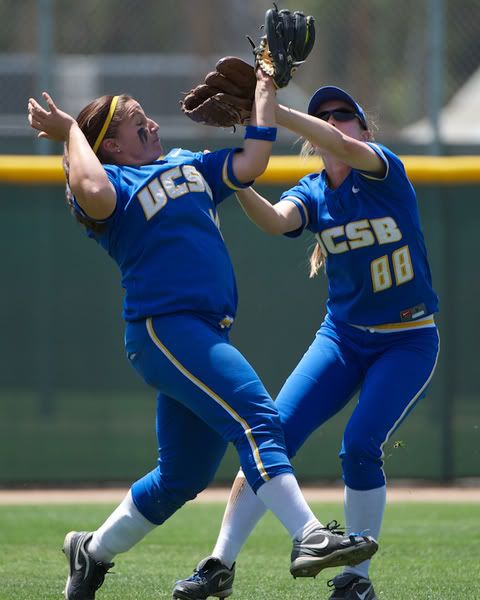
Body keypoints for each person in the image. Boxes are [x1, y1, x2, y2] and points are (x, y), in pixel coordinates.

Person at [27, 71, 378, 600]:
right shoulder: (115, 187)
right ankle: (309, 536)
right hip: (164, 327)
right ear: (109, 147)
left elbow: (253, 161)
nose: (148, 121)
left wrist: (265, 84)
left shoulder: (185, 163)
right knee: (259, 415)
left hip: (206, 331)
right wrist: (70, 132)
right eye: (132, 120)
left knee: (182, 476)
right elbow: (91, 187)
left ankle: (92, 550)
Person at [173, 85, 440, 600]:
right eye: (327, 117)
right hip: (341, 339)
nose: (335, 122)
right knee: (268, 439)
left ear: (365, 131)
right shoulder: (314, 192)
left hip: (406, 341)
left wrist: (273, 111)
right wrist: (236, 180)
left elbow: (343, 150)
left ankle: (356, 582)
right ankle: (218, 565)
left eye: (345, 115)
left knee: (360, 445)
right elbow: (276, 222)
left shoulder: (384, 170)